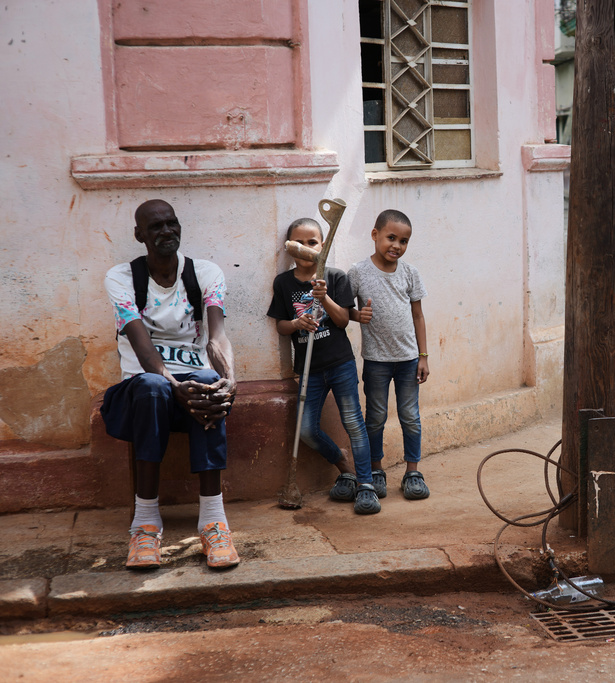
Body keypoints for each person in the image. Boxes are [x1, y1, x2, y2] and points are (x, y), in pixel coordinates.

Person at [101, 199, 240, 569]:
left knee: (210, 383)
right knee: (152, 386)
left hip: (190, 387)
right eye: (156, 227)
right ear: (139, 235)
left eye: (171, 224)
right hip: (143, 392)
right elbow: (143, 350)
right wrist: (173, 383)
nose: (166, 232)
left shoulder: (205, 273)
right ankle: (145, 523)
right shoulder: (122, 278)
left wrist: (229, 378)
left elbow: (217, 337)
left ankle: (214, 521)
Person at [267, 218, 378, 514]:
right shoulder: (283, 283)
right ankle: (345, 467)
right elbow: (280, 326)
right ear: (289, 248)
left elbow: (342, 320)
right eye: (299, 243)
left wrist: (323, 295)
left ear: (322, 247)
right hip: (307, 369)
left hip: (339, 363)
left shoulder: (335, 277)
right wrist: (296, 322)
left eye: (312, 242)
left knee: (354, 423)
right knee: (306, 430)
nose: (306, 248)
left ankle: (366, 485)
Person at [348, 210, 431, 501]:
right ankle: (376, 471)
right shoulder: (357, 272)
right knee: (376, 417)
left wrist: (423, 356)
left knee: (410, 416)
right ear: (375, 235)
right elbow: (345, 312)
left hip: (408, 359)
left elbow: (418, 315)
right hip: (376, 361)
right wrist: (358, 315)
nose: (396, 245)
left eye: (404, 241)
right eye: (391, 238)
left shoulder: (410, 273)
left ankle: (413, 472)